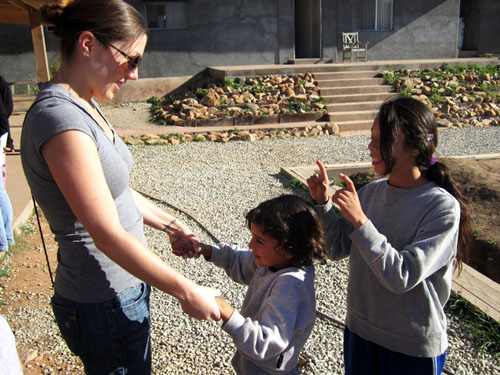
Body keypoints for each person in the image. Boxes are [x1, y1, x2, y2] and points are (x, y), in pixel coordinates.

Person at [20, 1, 219, 374]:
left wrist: (171, 226)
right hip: (100, 301)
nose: (135, 75)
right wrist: (186, 290)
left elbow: (115, 191)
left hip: (121, 292)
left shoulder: (85, 105)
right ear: (88, 44)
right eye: (132, 60)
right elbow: (106, 234)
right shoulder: (60, 118)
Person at [307, 96, 472, 375]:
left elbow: (402, 275)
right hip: (360, 332)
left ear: (413, 145)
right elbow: (334, 248)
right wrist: (323, 204)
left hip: (411, 348)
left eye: (380, 138)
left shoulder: (441, 207)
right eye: (371, 137)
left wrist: (361, 221)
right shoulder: (371, 193)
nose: (371, 146)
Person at [173, 194, 327, 375]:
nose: (250, 244)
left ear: (289, 248)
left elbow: (267, 343)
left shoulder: (289, 286)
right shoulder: (275, 262)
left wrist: (223, 308)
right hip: (253, 364)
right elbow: (238, 259)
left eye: (259, 241)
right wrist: (206, 250)